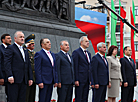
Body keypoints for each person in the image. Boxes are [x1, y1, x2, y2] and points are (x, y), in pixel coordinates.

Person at [4, 31, 33, 102]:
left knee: (22, 99)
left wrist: (30, 78)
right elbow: (7, 63)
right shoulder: (10, 48)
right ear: (15, 38)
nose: (22, 38)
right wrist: (9, 75)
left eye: (23, 37)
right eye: (20, 37)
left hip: (24, 80)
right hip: (14, 79)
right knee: (13, 99)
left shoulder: (25, 50)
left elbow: (28, 65)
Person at [72, 36, 92, 102]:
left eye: (88, 41)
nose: (88, 43)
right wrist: (76, 79)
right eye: (86, 41)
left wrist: (90, 79)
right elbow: (75, 66)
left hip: (87, 80)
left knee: (85, 98)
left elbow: (89, 67)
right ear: (81, 42)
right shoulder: (76, 52)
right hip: (80, 79)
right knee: (79, 97)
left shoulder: (88, 54)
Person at [0, 34, 12, 102]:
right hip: (3, 76)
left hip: (10, 77)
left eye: (10, 38)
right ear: (3, 40)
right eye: (8, 38)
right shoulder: (0, 49)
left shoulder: (11, 49)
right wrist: (1, 77)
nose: (10, 40)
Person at [25, 34, 36, 102]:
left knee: (32, 97)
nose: (33, 45)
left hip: (34, 78)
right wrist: (25, 46)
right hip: (28, 78)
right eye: (31, 43)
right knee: (26, 96)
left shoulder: (34, 54)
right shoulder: (26, 52)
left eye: (33, 43)